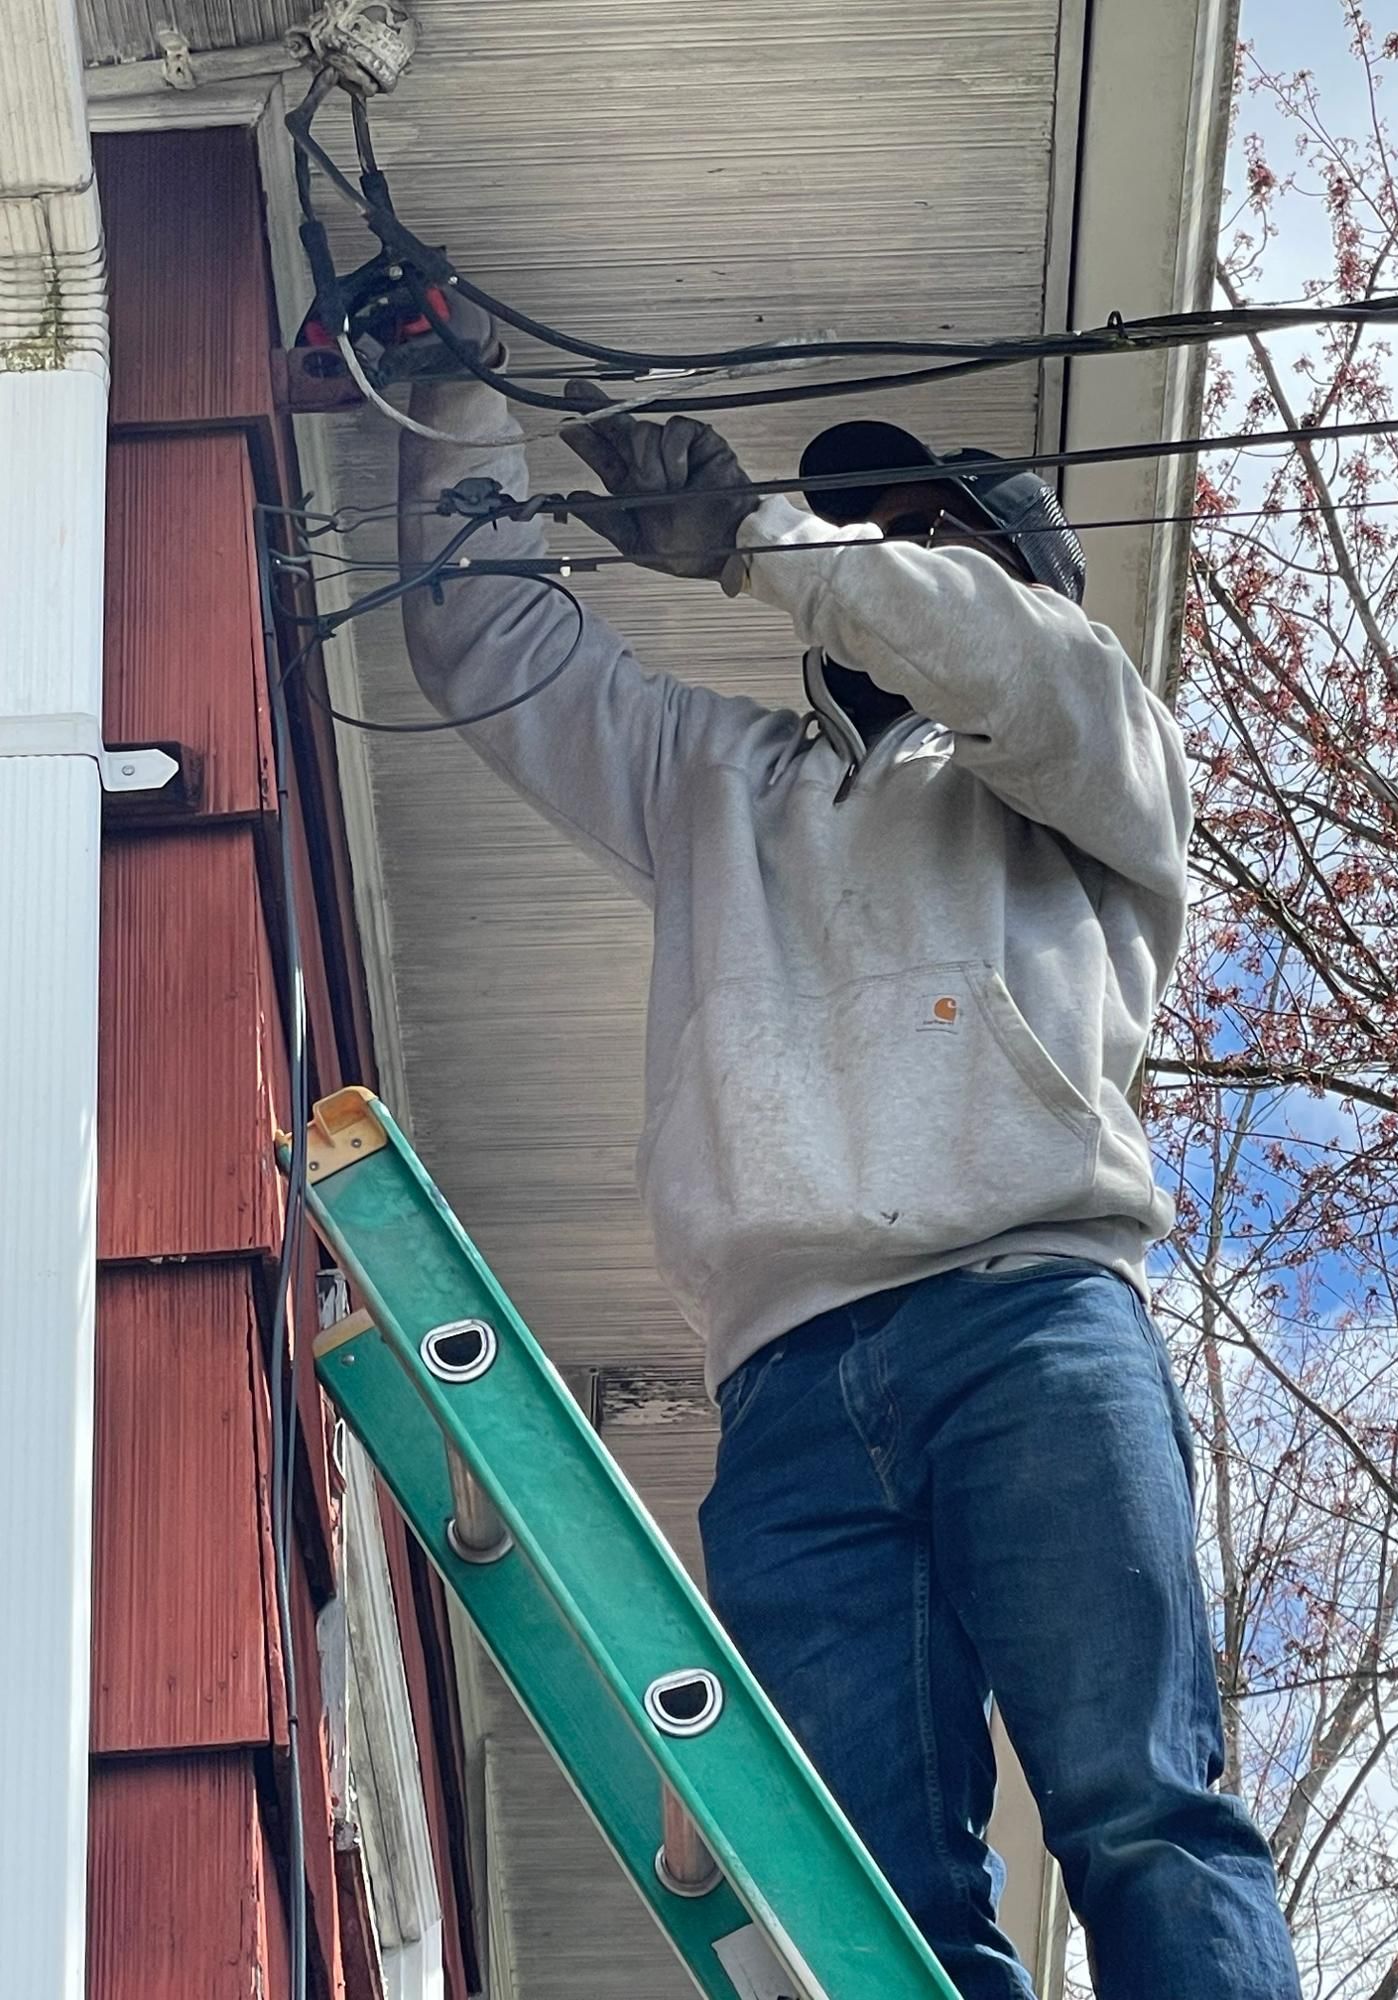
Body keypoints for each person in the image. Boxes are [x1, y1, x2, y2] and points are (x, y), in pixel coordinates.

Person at [395, 337, 1303, 2000]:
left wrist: (768, 541)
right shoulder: (729, 787)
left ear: (1016, 574)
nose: (879, 567)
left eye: (917, 538)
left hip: (1033, 1327)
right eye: (863, 535)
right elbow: (492, 650)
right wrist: (448, 394)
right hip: (792, 1393)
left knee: (1139, 1807)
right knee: (865, 1898)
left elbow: (1006, 669)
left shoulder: (1098, 752)